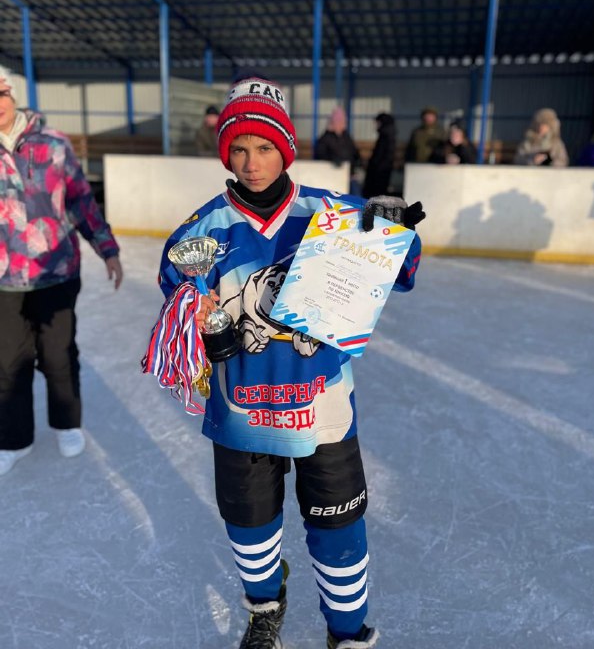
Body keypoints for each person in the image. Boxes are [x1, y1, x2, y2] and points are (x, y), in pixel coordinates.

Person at [153, 74, 425, 649]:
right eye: (240, 149)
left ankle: (348, 632)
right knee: (250, 530)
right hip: (241, 411)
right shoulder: (204, 229)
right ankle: (265, 608)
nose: (252, 163)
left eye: (265, 148)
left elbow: (402, 268)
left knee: (340, 531)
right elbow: (171, 278)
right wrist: (190, 305)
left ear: (287, 149)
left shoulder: (328, 214)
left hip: (322, 409)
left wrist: (394, 228)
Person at [0, 68, 123, 477]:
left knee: (57, 355)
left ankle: (67, 423)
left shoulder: (53, 145)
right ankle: (14, 438)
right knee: (8, 362)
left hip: (55, 270)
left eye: (1, 92)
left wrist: (106, 248)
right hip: (3, 279)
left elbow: (81, 201)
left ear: (12, 94)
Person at [315, 106, 363, 194]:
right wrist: (333, 160)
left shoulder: (346, 136)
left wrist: (357, 162)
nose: (342, 124)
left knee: (356, 192)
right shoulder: (325, 138)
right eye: (339, 121)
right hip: (333, 176)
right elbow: (320, 155)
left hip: (349, 175)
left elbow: (354, 152)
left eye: (343, 121)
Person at [362, 112, 396, 198]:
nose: (376, 125)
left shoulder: (386, 136)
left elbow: (385, 155)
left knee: (375, 193)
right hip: (380, 170)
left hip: (380, 171)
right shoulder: (386, 135)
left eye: (377, 123)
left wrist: (375, 166)